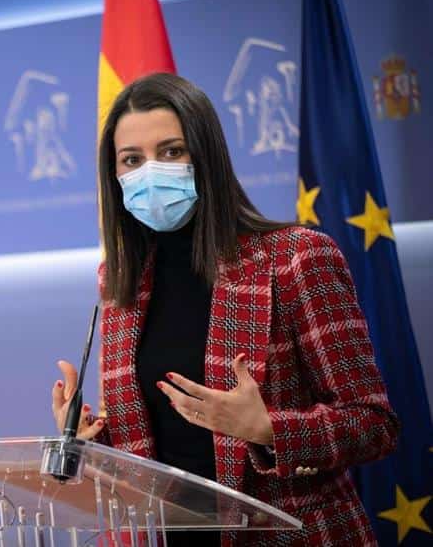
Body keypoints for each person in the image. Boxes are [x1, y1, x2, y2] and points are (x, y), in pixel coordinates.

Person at [50, 73, 399, 546]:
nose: (150, 171)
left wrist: (267, 428)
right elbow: (161, 444)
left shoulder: (295, 257)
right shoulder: (118, 281)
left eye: (171, 151)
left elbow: (374, 425)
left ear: (205, 156)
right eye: (132, 160)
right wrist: (93, 441)